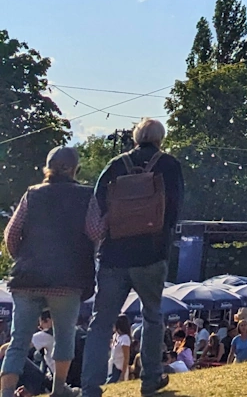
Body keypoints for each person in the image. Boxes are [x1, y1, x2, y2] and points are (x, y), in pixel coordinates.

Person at [82, 119, 184, 397]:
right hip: (151, 254)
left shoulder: (115, 165)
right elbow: (174, 211)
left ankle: (90, 385)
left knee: (101, 322)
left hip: (114, 255)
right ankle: (150, 379)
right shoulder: (170, 166)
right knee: (152, 317)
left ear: (135, 137)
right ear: (160, 139)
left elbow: (97, 207)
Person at [2, 145, 104, 397]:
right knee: (64, 336)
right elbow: (95, 232)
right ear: (75, 169)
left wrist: (25, 260)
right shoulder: (85, 196)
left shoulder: (32, 195)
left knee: (18, 341)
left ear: (47, 168)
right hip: (66, 281)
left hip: (27, 280)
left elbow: (11, 234)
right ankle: (60, 389)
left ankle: (5, 393)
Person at [107, 317, 132, 384]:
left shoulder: (125, 338)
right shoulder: (115, 336)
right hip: (112, 366)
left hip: (120, 368)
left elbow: (126, 357)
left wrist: (123, 374)